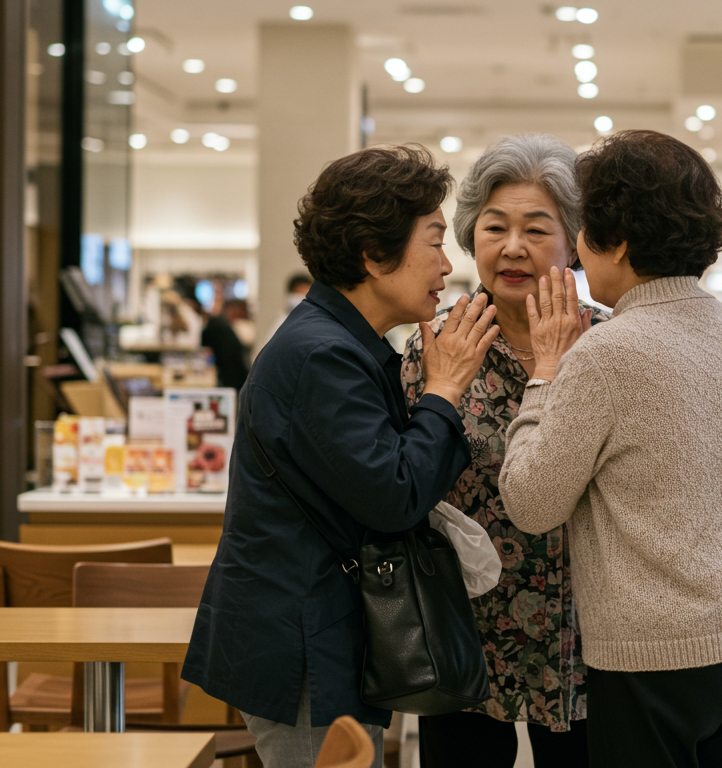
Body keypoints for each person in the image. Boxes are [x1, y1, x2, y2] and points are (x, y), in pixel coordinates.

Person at [183, 144, 499, 768]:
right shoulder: (321, 356)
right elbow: (396, 494)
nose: (446, 263)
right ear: (375, 255)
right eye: (434, 241)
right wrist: (446, 390)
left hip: (312, 625)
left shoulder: (339, 344)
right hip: (298, 635)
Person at [498, 130, 722, 768]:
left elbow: (530, 501)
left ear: (620, 241)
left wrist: (545, 375)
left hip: (659, 656)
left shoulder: (607, 353)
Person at [400, 134, 602, 768]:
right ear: (471, 237)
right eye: (495, 227)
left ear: (573, 242)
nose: (512, 247)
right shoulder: (434, 345)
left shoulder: (610, 343)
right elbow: (405, 477)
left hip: (587, 633)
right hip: (463, 630)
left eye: (536, 229)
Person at [174, 275, 250, 391]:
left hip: (232, 380)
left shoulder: (214, 327)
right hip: (236, 377)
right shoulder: (215, 324)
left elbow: (196, 345)